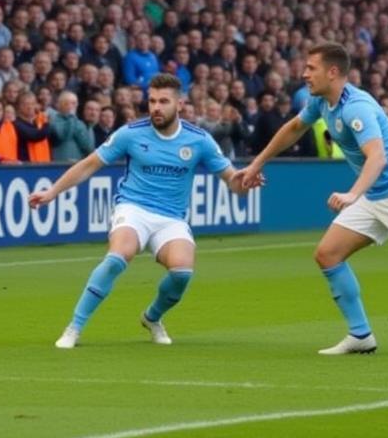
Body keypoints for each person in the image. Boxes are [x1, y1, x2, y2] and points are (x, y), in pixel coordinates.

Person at [236, 42, 388, 359]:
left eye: (310, 68)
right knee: (328, 254)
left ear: (333, 71)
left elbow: (378, 157)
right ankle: (360, 335)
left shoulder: (357, 107)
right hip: (373, 193)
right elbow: (295, 127)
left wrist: (353, 194)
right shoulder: (323, 103)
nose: (304, 74)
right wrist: (257, 163)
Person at [29, 73, 255, 349]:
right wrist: (52, 192)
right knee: (117, 257)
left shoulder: (199, 140)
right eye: (152, 101)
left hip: (172, 218)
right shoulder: (131, 133)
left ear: (180, 104)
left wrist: (245, 183)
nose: (156, 107)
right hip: (133, 208)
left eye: (163, 101)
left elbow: (233, 181)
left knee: (182, 272)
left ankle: (152, 317)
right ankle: (74, 328)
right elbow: (89, 164)